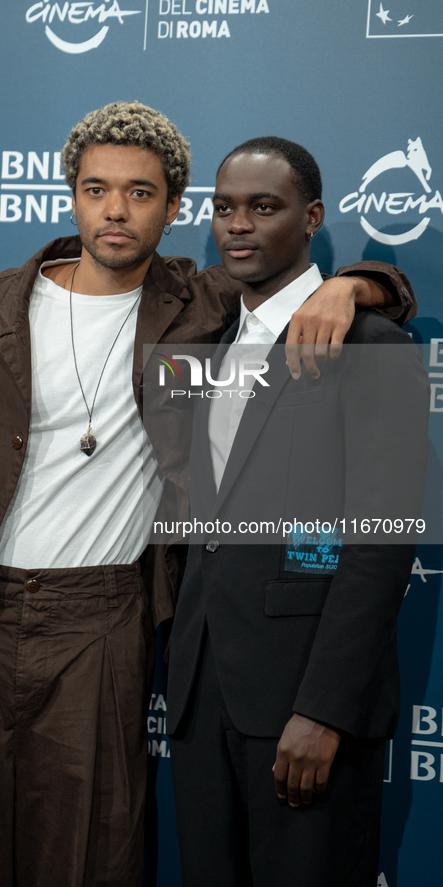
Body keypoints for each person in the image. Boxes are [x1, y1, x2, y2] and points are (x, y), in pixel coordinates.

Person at [0, 106, 416, 887]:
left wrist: (359, 283)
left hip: (103, 621)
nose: (116, 210)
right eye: (96, 189)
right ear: (71, 196)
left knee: (87, 854)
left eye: (141, 193)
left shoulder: (195, 301)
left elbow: (292, 282)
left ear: (172, 208)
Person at [165, 137, 430, 887]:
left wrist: (324, 711)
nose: (237, 224)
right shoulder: (204, 344)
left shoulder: (369, 342)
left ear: (310, 216)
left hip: (303, 711)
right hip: (198, 698)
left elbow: (381, 544)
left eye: (262, 206)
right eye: (223, 208)